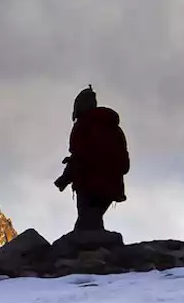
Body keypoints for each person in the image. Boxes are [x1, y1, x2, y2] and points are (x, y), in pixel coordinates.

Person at [54, 85, 130, 232]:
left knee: (85, 225)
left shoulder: (82, 126)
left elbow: (80, 157)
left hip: (87, 185)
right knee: (93, 221)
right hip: (111, 187)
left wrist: (65, 178)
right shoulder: (113, 128)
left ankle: (87, 251)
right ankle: (102, 250)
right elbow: (124, 164)